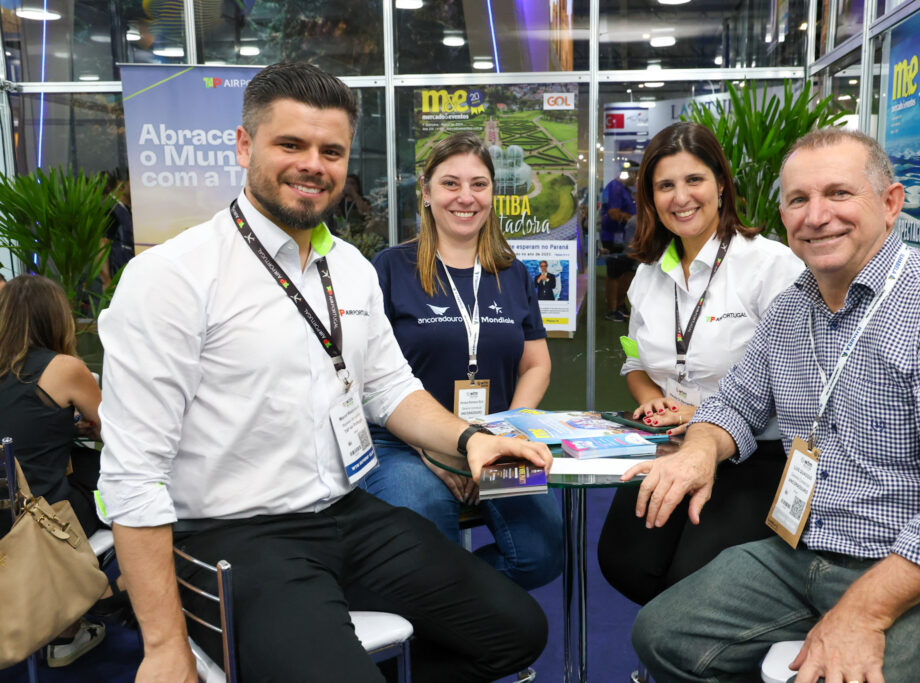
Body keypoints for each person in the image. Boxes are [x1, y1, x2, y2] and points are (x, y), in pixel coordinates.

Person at [97, 62, 551, 683]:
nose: (313, 163)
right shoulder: (171, 278)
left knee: (518, 630)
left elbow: (390, 389)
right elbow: (133, 474)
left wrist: (472, 440)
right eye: (291, 144)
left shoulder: (353, 270)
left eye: (331, 150)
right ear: (244, 145)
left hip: (349, 513)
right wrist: (163, 645)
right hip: (236, 536)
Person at [627, 127, 920, 682]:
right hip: (807, 549)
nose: (816, 216)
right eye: (798, 200)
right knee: (662, 635)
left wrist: (865, 610)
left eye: (839, 194)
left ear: (890, 204)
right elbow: (735, 404)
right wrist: (700, 451)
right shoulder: (792, 309)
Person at [597, 121, 805, 606]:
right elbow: (634, 361)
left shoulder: (771, 266)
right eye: (665, 185)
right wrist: (653, 402)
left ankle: (693, 651)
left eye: (694, 180)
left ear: (720, 185)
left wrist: (703, 419)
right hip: (670, 446)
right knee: (623, 561)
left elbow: (798, 386)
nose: (680, 197)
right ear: (650, 197)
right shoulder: (647, 275)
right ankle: (677, 648)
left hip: (754, 456)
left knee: (696, 582)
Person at [365, 133, 562, 590]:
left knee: (542, 551)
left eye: (479, 184)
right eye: (450, 183)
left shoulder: (512, 272)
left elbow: (536, 365)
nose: (466, 197)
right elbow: (368, 377)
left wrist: (501, 434)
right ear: (427, 192)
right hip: (406, 444)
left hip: (496, 440)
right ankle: (454, 626)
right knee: (429, 529)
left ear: (493, 193)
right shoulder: (390, 268)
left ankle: (454, 603)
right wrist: (434, 445)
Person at [0, 274, 116, 667]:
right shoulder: (64, 368)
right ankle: (74, 622)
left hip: (6, 519)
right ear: (56, 318)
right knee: (109, 480)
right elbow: (115, 432)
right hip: (42, 524)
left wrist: (62, 427)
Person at [600, 165, 637, 321]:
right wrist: (635, 220)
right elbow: (614, 213)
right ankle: (612, 309)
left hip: (626, 237)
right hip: (613, 237)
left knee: (628, 272)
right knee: (614, 273)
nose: (636, 179)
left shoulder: (626, 189)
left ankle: (620, 305)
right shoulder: (615, 187)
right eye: (635, 175)